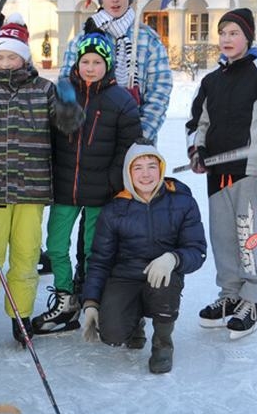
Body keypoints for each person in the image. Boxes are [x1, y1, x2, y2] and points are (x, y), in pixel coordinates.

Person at [0, 15, 83, 352]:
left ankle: (20, 317)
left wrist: (70, 106)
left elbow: (67, 128)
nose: (7, 63)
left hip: (32, 190)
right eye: (1, 57)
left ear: (24, 57)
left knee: (26, 258)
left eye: (13, 57)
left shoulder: (44, 90)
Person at [186, 8, 257, 339]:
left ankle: (253, 299)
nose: (227, 39)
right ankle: (230, 295)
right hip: (218, 173)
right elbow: (196, 122)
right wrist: (197, 150)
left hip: (252, 172)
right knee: (223, 238)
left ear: (248, 37)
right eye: (223, 33)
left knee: (250, 238)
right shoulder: (211, 80)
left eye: (234, 33)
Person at [32, 31, 142, 335]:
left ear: (107, 65)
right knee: (56, 246)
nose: (90, 67)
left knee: (95, 251)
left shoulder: (121, 101)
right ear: (77, 62)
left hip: (102, 191)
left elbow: (128, 148)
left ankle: (93, 300)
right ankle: (66, 298)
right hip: (66, 187)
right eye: (85, 61)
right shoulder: (62, 92)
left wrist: (112, 181)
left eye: (97, 61)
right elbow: (48, 135)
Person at [81, 144, 206, 373]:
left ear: (161, 168)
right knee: (111, 334)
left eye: (151, 166)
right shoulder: (114, 209)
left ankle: (162, 345)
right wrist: (91, 302)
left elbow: (197, 250)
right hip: (125, 277)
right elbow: (100, 260)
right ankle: (133, 322)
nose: (146, 174)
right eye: (137, 167)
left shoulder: (182, 201)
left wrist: (173, 258)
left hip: (162, 275)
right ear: (128, 172)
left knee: (165, 284)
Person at [62, 0, 172, 145]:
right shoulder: (82, 39)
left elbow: (160, 89)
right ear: (101, 0)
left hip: (136, 135)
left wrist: (142, 133)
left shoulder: (148, 39)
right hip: (91, 137)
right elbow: (66, 83)